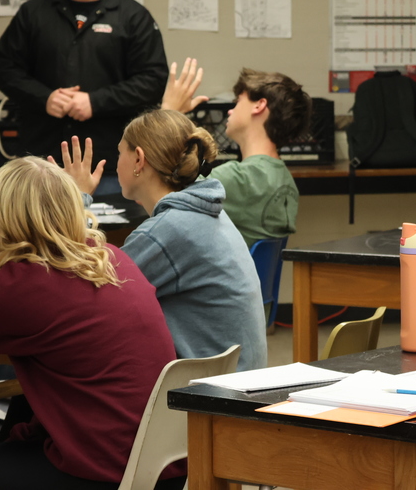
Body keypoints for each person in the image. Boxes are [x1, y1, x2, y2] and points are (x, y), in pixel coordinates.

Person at [0, 159, 181, 490]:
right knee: (21, 412)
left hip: (103, 471)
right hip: (162, 465)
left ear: (1, 217)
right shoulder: (112, 256)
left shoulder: (23, 284)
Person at [57, 111, 268, 372]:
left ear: (138, 159)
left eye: (120, 151)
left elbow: (86, 294)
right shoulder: (206, 212)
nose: (116, 160)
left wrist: (76, 199)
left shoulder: (170, 230)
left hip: (212, 396)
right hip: (239, 383)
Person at [0, 0, 168, 195]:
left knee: (105, 239)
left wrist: (95, 102)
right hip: (41, 166)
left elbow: (153, 81)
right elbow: (4, 67)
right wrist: (44, 97)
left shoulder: (133, 18)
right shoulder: (34, 13)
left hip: (110, 167)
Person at [161, 61, 312, 248]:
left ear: (259, 106)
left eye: (238, 101)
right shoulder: (284, 178)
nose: (230, 110)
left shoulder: (237, 179)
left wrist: (168, 112)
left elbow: (159, 188)